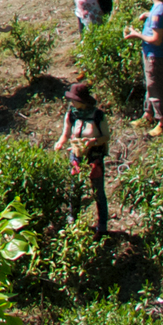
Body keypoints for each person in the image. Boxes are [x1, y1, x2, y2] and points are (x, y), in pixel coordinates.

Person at [53, 80, 110, 235]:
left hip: (94, 158)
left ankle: (102, 225)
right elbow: (65, 134)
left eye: (74, 99)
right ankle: (73, 221)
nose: (71, 101)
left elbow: (106, 136)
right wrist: (59, 143)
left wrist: (93, 142)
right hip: (77, 157)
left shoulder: (98, 115)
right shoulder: (71, 114)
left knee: (98, 191)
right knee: (74, 190)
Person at [125, 0, 163, 136]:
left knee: (155, 87)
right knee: (149, 85)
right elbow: (157, 16)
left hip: (155, 55)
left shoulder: (158, 13)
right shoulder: (162, 6)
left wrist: (137, 35)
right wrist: (147, 15)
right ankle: (148, 115)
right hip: (153, 54)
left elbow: (156, 39)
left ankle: (162, 122)